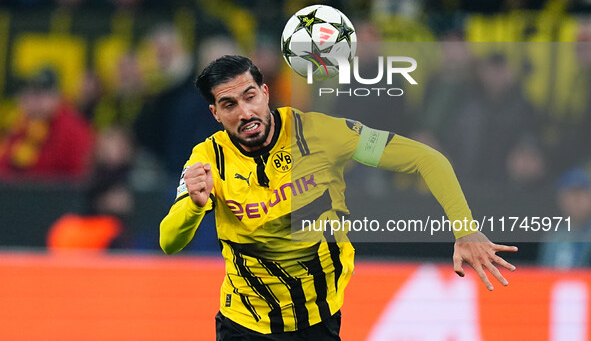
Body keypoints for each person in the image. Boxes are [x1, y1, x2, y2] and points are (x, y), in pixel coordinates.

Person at [159, 55, 517, 340]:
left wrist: (465, 228)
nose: (245, 112)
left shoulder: (322, 134)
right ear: (215, 113)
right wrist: (193, 205)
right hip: (244, 323)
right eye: (229, 104)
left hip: (319, 319)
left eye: (250, 96)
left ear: (266, 93)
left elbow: (426, 158)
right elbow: (169, 242)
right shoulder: (207, 160)